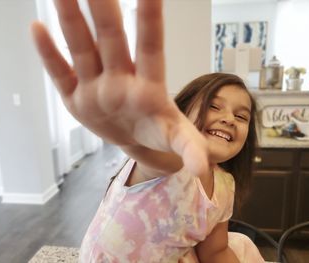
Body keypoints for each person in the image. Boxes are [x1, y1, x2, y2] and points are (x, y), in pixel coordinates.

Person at [31, 0, 265, 262]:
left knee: (238, 243)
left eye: (241, 116)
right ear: (183, 112)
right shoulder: (170, 161)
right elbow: (153, 155)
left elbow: (215, 251)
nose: (228, 119)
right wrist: (133, 136)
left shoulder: (225, 186)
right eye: (213, 106)